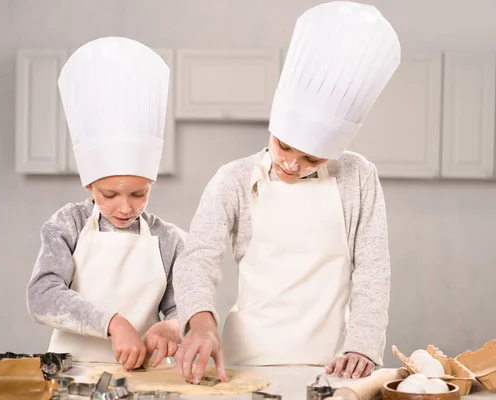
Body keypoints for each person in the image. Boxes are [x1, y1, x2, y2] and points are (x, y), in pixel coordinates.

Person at [172, 0, 401, 384]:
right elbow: (198, 258)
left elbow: (373, 269)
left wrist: (362, 344)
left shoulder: (358, 177)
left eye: (312, 158)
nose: (292, 163)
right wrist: (200, 323)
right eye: (283, 146)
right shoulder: (233, 179)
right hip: (244, 364)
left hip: (329, 367)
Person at [26, 37, 185, 371]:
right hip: (72, 373)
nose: (125, 208)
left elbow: (181, 307)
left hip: (144, 377)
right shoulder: (67, 224)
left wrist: (171, 326)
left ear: (152, 183)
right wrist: (113, 323)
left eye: (139, 194)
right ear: (89, 184)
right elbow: (41, 296)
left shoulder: (169, 240)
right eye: (110, 195)